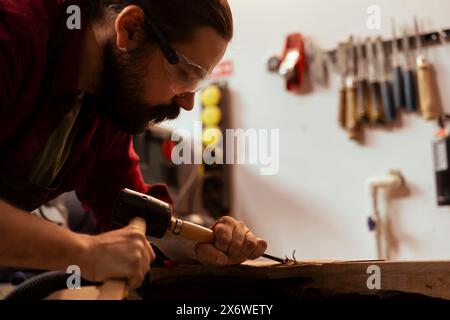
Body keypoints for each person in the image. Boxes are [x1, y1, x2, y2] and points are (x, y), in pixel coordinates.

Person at [0, 0, 267, 290]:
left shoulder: (107, 103)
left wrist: (198, 246)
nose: (188, 103)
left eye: (196, 83)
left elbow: (129, 212)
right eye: (184, 74)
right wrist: (84, 252)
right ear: (131, 29)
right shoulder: (13, 34)